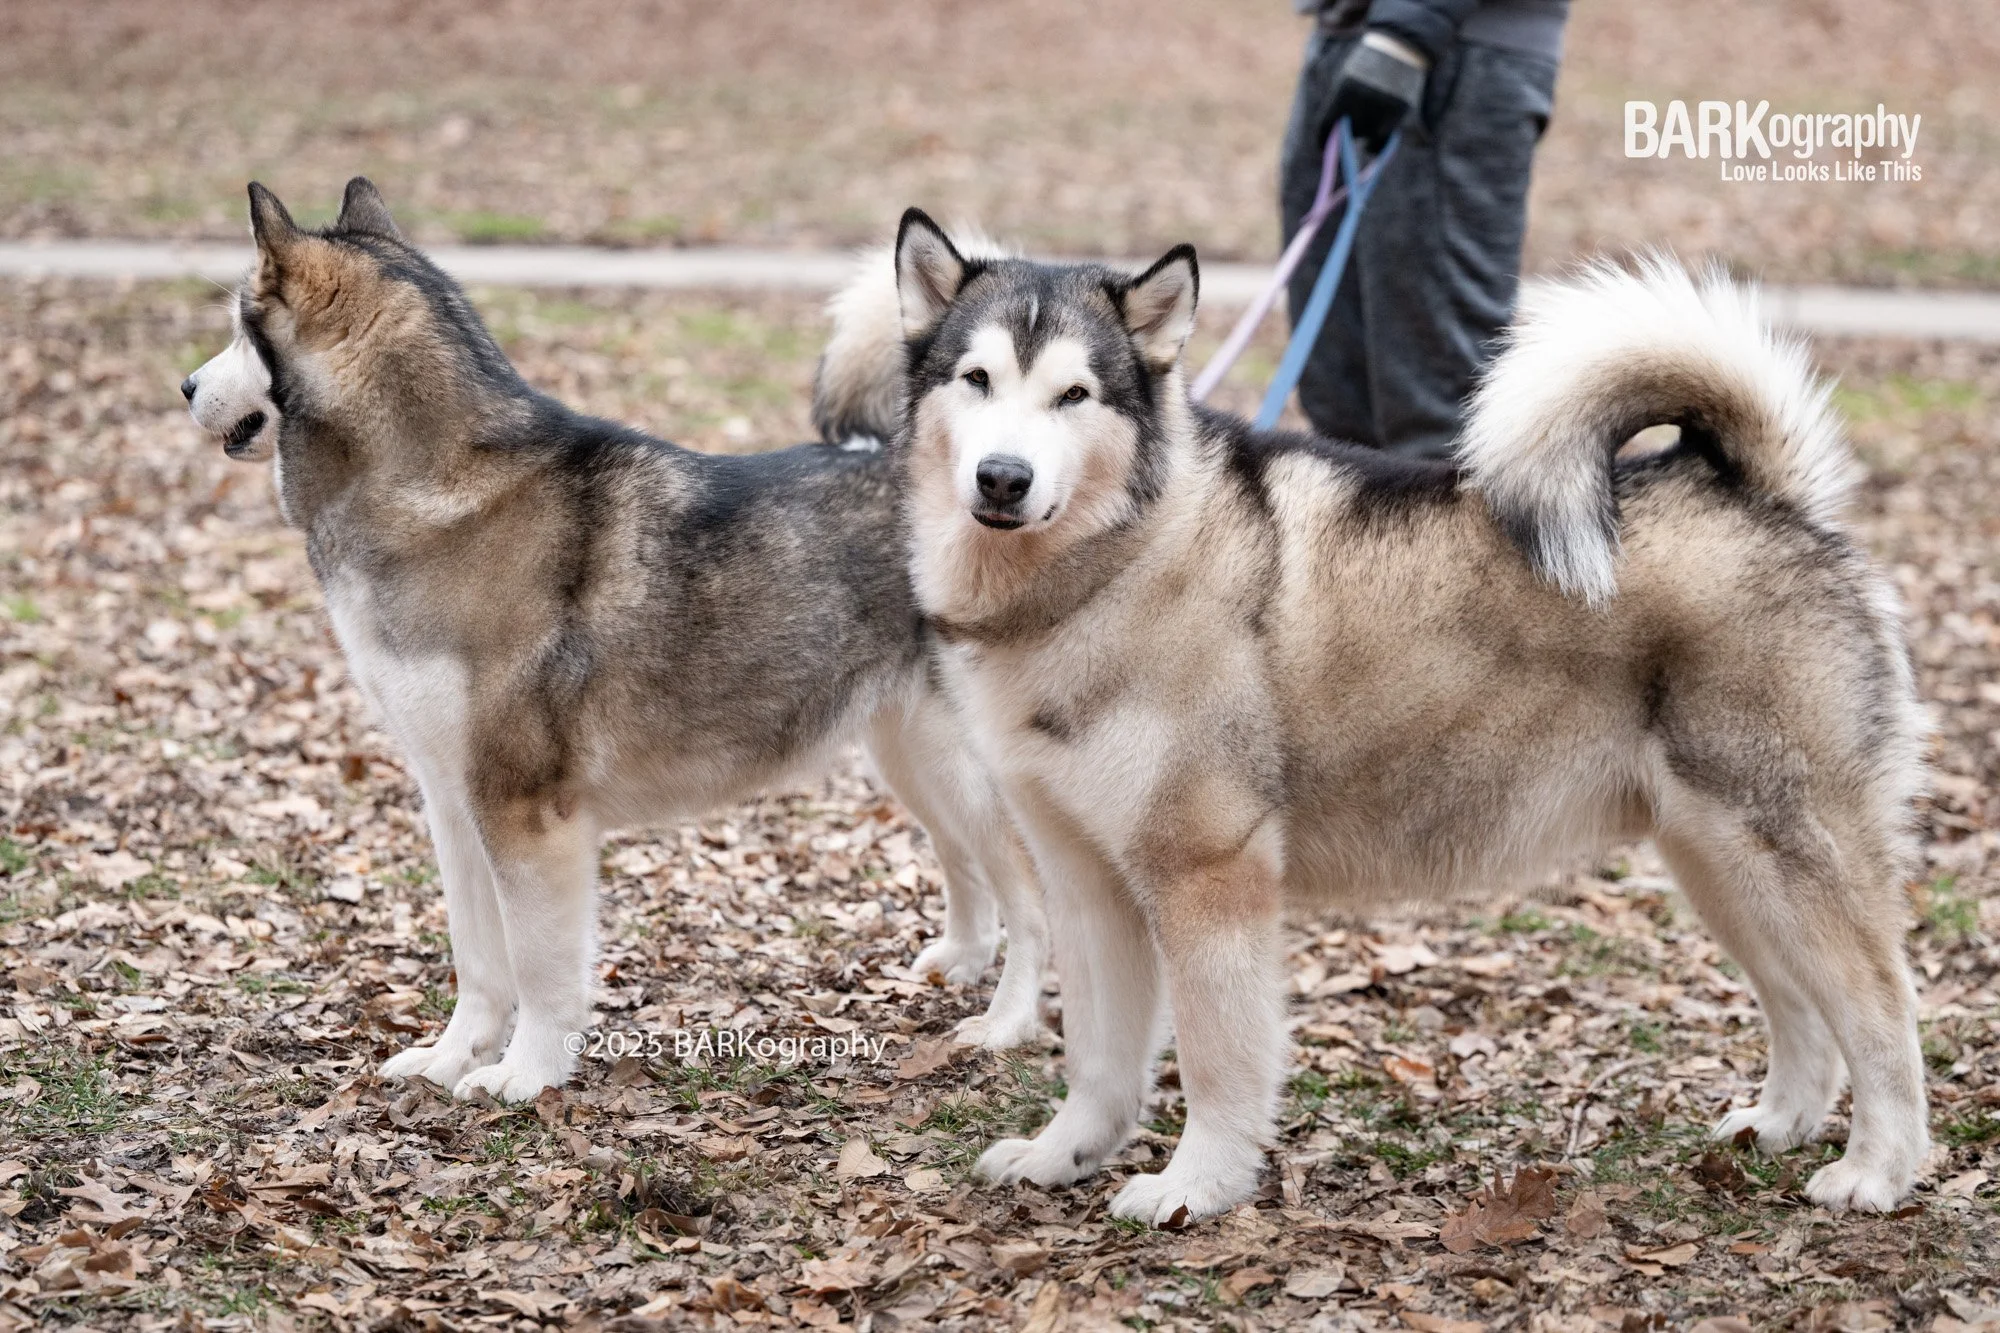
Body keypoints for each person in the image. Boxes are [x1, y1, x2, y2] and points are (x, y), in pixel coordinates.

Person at [1280, 0, 1567, 458]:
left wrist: (1406, 35)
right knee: (1340, 411)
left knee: (1440, 422)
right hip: (1348, 37)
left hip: (1452, 52)